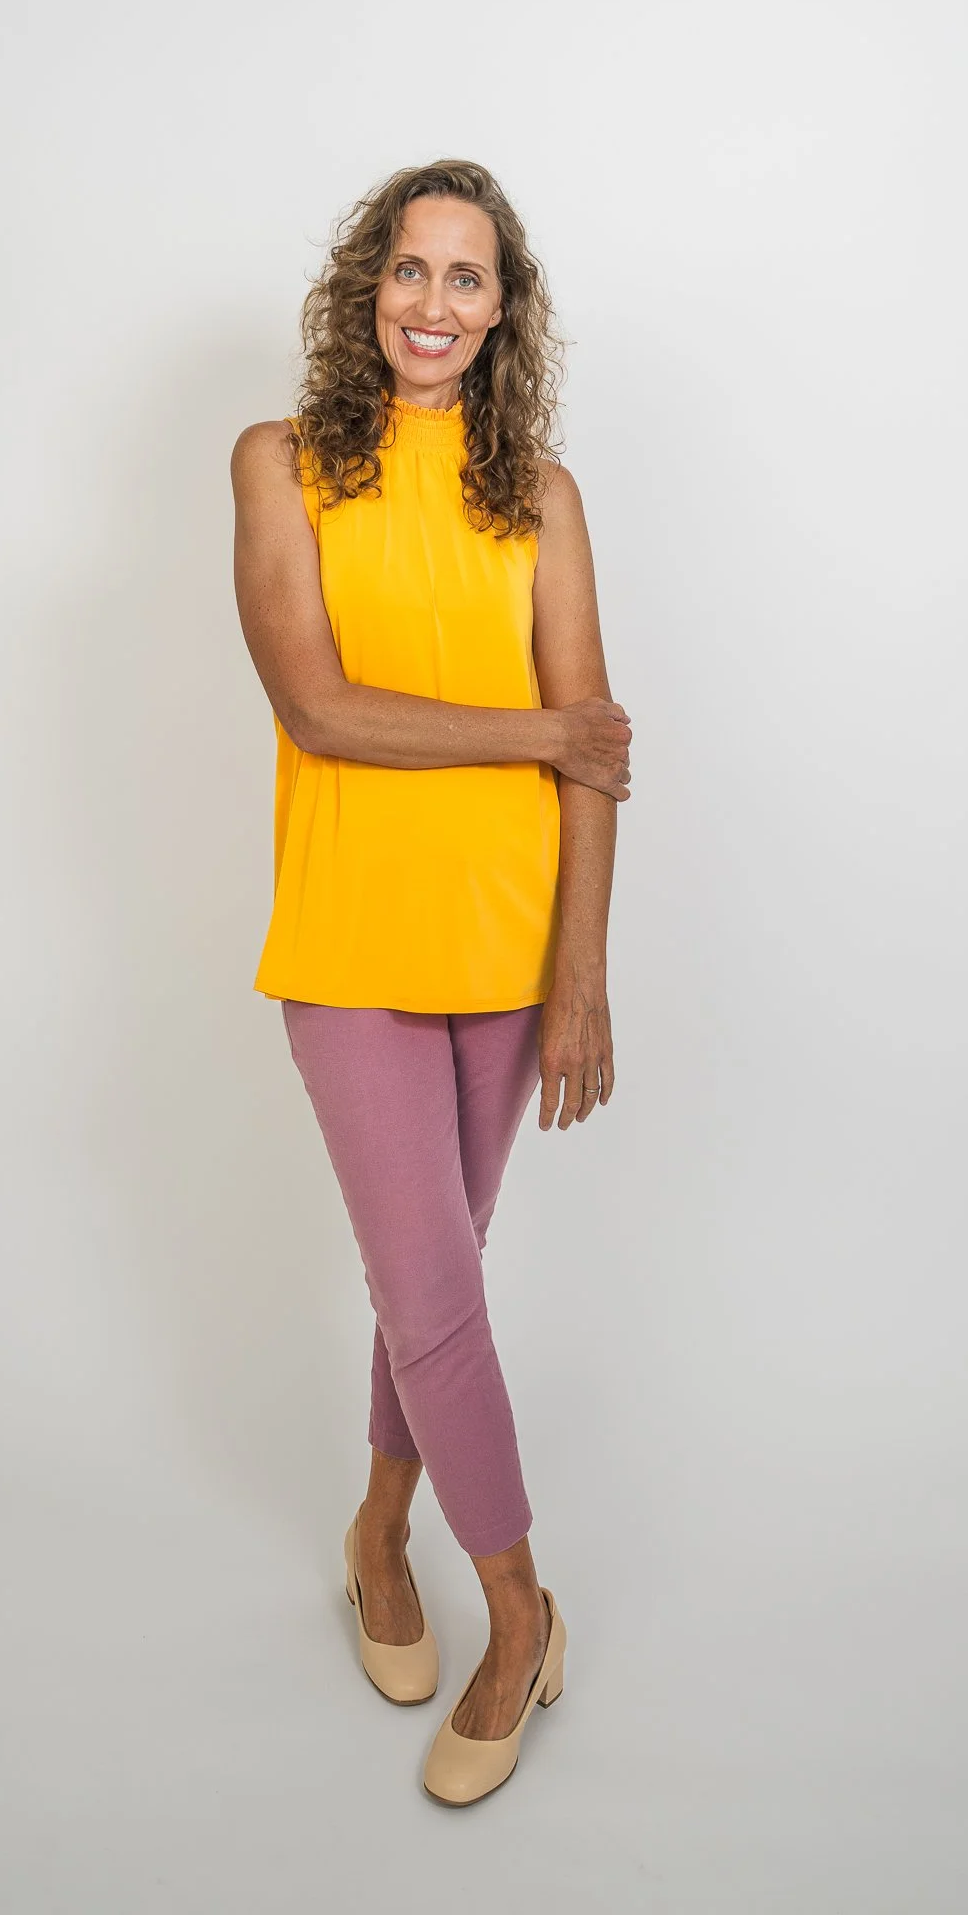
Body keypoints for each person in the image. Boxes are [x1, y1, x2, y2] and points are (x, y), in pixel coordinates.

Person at [232, 158, 631, 1806]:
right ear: (366, 284)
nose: (434, 305)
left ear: (503, 312)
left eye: (469, 281)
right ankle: (522, 1611)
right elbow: (321, 707)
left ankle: (381, 1525)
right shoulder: (281, 465)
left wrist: (581, 979)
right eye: (411, 269)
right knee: (440, 1294)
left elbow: (597, 766)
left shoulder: (537, 494)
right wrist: (540, 733)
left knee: (431, 1286)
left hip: (504, 947)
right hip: (347, 943)